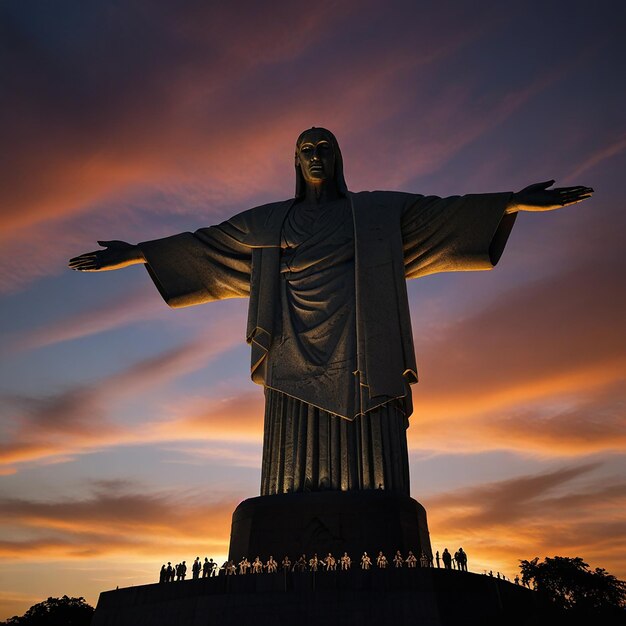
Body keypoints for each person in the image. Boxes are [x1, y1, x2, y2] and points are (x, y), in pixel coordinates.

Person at [69, 128, 593, 498]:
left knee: (370, 424)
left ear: (338, 157)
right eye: (305, 150)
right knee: (293, 430)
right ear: (296, 162)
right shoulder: (270, 220)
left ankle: (374, 499)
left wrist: (510, 203)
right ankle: (290, 497)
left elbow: (442, 210)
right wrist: (137, 251)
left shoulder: (376, 210)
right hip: (291, 338)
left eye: (324, 148)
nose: (315, 156)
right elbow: (206, 244)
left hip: (363, 332)